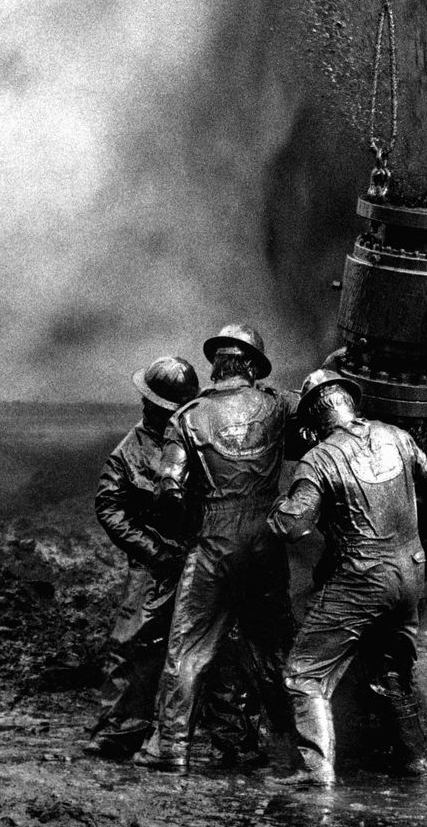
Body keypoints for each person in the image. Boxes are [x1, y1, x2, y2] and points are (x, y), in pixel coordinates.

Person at [268, 369, 427, 788]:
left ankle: (314, 773)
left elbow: (293, 525)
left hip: (363, 577)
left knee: (303, 673)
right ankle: (413, 762)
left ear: (314, 419)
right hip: (411, 572)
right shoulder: (397, 436)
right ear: (352, 404)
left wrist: (275, 505)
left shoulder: (319, 458)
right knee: (391, 670)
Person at [139, 323, 299, 770]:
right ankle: (294, 749)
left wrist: (188, 528)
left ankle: (171, 747)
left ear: (216, 365)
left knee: (187, 648)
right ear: (252, 366)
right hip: (266, 542)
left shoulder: (186, 416)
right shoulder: (278, 404)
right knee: (272, 650)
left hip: (214, 540)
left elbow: (167, 488)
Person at [85, 356, 200, 759]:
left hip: (200, 555)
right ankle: (120, 731)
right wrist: (155, 552)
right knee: (132, 644)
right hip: (153, 562)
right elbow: (110, 509)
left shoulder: (197, 436)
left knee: (215, 647)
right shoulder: (127, 452)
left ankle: (224, 736)